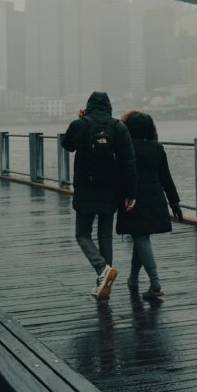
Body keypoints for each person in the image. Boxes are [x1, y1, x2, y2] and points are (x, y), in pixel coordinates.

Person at [62, 92, 137, 300]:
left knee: (82, 234)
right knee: (105, 236)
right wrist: (131, 193)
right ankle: (104, 282)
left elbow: (67, 145)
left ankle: (102, 270)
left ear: (89, 106)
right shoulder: (119, 127)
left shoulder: (81, 124)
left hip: (86, 187)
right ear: (109, 106)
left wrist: (80, 120)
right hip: (110, 189)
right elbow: (129, 163)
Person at [116, 110, 182, 300]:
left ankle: (155, 284)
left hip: (133, 199)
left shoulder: (126, 148)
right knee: (141, 236)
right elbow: (166, 178)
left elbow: (118, 176)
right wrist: (174, 202)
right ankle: (133, 279)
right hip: (155, 198)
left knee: (141, 236)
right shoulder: (157, 148)